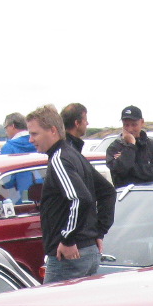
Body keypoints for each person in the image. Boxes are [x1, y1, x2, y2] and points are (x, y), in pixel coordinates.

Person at [27, 102, 114, 283]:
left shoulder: (60, 159)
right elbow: (107, 191)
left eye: (34, 134)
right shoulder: (74, 155)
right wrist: (98, 233)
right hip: (87, 251)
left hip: (69, 257)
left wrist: (67, 239)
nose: (31, 140)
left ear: (52, 130)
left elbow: (80, 199)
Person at [105, 105, 153, 187]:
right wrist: (131, 145)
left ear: (142, 122)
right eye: (126, 125)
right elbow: (120, 171)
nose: (130, 129)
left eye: (134, 124)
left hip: (150, 195)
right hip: (125, 196)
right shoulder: (114, 147)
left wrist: (131, 166)